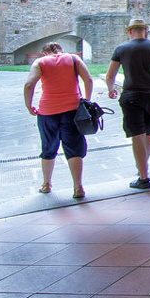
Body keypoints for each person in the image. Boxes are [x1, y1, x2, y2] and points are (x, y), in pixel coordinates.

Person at [105, 18, 150, 190]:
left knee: (137, 134)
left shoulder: (121, 49)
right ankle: (142, 166)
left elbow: (110, 75)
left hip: (132, 95)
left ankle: (143, 176)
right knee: (149, 133)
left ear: (130, 31)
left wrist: (110, 88)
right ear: (146, 30)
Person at [23, 42, 93, 199]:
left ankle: (46, 184)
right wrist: (86, 101)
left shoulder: (40, 62)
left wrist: (29, 105)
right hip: (72, 110)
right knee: (74, 147)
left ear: (44, 53)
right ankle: (78, 187)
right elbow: (88, 79)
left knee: (48, 145)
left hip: (47, 111)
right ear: (61, 50)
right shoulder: (74, 59)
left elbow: (29, 85)